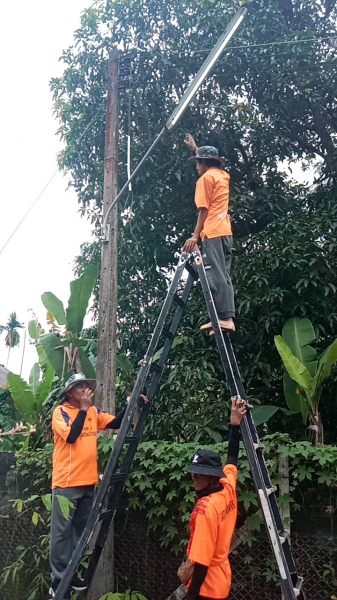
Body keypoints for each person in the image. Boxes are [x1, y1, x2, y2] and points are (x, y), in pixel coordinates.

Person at [48, 372, 128, 599]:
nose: (85, 390)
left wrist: (132, 405)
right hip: (66, 482)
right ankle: (58, 579)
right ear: (70, 393)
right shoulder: (60, 412)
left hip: (88, 482)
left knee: (81, 532)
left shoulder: (93, 412)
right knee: (61, 534)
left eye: (86, 385)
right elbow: (72, 437)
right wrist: (83, 410)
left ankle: (71, 572)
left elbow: (116, 422)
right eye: (79, 387)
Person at [179, 398, 247, 600]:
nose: (194, 477)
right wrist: (235, 426)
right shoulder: (227, 487)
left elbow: (201, 561)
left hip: (206, 589)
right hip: (222, 581)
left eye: (199, 474)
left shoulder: (206, 509)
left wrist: (192, 594)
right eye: (193, 473)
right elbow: (232, 459)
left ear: (212, 477)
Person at [183, 133, 235, 334]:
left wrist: (195, 236)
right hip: (225, 233)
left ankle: (224, 318)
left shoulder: (205, 179)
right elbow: (210, 163)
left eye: (198, 163)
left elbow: (203, 209)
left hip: (212, 232)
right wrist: (196, 149)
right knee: (224, 275)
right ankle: (225, 318)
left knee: (214, 274)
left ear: (204, 163)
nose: (197, 167)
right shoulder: (222, 175)